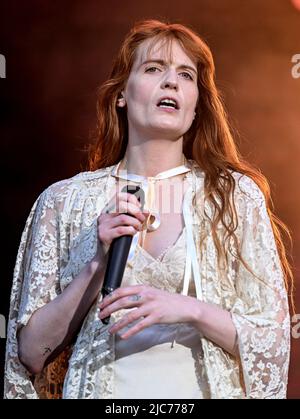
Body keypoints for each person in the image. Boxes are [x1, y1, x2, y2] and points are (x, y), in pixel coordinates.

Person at [4, 19, 292, 399]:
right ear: (121, 94)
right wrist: (96, 263)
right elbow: (29, 355)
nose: (171, 81)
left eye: (186, 75)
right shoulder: (63, 201)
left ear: (195, 106)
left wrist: (190, 309)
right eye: (154, 68)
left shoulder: (234, 197)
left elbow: (271, 345)